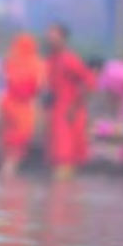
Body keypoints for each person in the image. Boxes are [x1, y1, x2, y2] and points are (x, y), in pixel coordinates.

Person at [44, 23, 95, 179]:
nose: (50, 39)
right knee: (58, 158)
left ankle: (61, 199)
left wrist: (75, 106)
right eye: (49, 36)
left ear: (63, 39)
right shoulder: (52, 59)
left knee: (65, 158)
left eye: (54, 36)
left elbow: (89, 82)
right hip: (56, 112)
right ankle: (61, 198)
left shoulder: (69, 59)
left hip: (69, 114)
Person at [0, 34, 45, 179]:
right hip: (21, 109)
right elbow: (37, 87)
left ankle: (7, 170)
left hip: (8, 105)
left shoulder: (11, 61)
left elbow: (7, 79)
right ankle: (8, 171)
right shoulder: (36, 64)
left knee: (9, 143)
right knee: (18, 143)